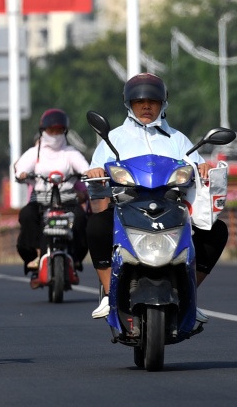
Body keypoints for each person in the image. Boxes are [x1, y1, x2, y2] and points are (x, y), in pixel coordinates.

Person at [83, 73, 228, 322]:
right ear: (129, 104)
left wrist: (203, 168)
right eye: (140, 101)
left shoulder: (178, 140)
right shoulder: (112, 139)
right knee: (96, 226)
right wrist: (95, 173)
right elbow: (94, 181)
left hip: (172, 207)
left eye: (152, 101)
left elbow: (198, 168)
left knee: (217, 231)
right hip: (126, 205)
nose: (146, 106)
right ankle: (109, 295)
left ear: (163, 104)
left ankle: (189, 293)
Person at [13, 108, 90, 276]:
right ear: (43, 131)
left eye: (59, 130)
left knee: (80, 217)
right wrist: (22, 174)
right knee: (27, 215)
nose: (55, 135)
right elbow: (20, 168)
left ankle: (75, 256)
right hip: (40, 199)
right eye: (51, 130)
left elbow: (85, 168)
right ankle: (36, 254)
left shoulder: (70, 153)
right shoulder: (35, 153)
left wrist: (88, 173)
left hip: (67, 199)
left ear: (65, 131)